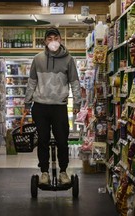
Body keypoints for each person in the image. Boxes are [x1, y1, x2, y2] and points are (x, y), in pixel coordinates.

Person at [24, 27, 82, 185]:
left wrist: (77, 101)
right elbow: (32, 82)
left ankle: (63, 171)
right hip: (40, 106)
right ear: (45, 41)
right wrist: (27, 101)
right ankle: (44, 172)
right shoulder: (37, 59)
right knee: (42, 140)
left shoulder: (69, 60)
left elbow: (75, 83)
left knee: (62, 140)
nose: (52, 41)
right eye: (49, 39)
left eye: (55, 38)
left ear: (60, 40)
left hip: (59, 106)